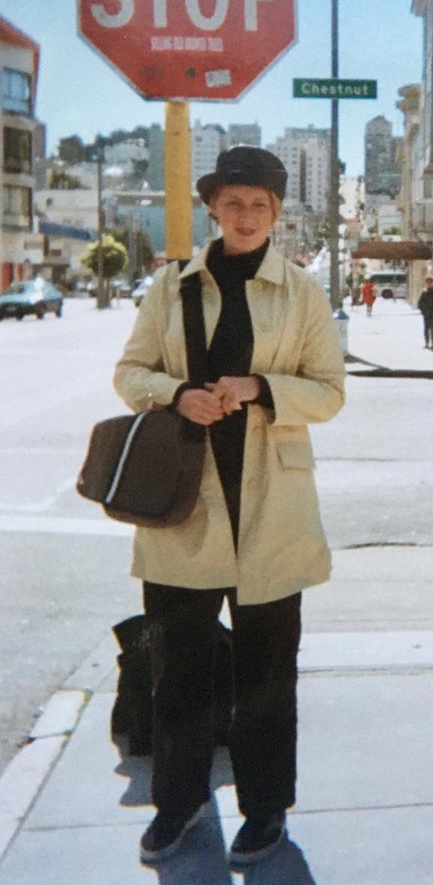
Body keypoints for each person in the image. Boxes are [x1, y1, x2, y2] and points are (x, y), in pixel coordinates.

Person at [114, 146, 345, 866]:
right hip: (183, 504)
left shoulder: (302, 293)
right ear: (212, 207)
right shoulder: (171, 288)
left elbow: (329, 392)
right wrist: (175, 394)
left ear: (278, 214)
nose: (246, 217)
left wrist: (258, 389)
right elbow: (130, 372)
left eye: (260, 206)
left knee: (268, 679)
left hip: (271, 508)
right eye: (234, 203)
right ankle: (177, 804)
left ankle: (266, 809)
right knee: (178, 674)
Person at [417, 274, 433, 349]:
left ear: (432, 283)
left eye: (430, 282)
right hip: (426, 313)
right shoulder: (424, 292)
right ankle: (427, 343)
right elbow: (420, 302)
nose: (429, 283)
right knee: (426, 328)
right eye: (427, 282)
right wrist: (422, 310)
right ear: (426, 283)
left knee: (432, 328)